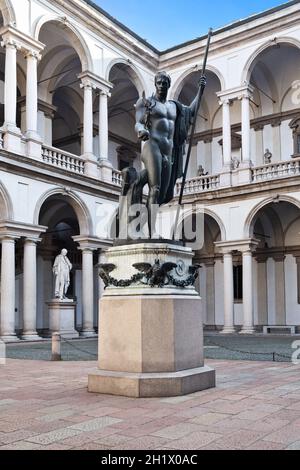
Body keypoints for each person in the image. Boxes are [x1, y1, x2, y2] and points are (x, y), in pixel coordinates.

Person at [131, 71, 206, 235]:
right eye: (159, 82)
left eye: (165, 83)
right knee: (155, 189)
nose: (162, 85)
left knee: (166, 194)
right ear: (155, 84)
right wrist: (141, 130)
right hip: (152, 146)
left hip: (169, 152)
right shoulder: (146, 103)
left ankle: (137, 183)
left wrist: (200, 91)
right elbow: (138, 122)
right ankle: (152, 233)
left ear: (169, 85)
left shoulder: (174, 106)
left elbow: (191, 112)